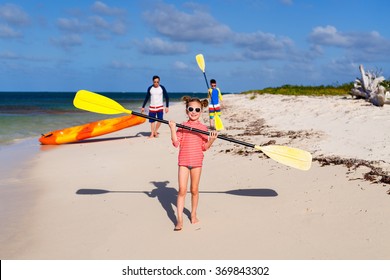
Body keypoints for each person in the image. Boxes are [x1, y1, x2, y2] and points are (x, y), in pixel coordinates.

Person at [168, 96, 218, 231]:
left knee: (194, 190)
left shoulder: (203, 128)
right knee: (182, 190)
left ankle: (193, 214)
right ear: (186, 110)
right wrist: (173, 129)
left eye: (197, 109)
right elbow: (176, 143)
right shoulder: (182, 126)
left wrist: (211, 140)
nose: (194, 112)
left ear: (201, 111)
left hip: (197, 162)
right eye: (191, 109)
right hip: (183, 162)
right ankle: (179, 220)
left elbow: (204, 147)